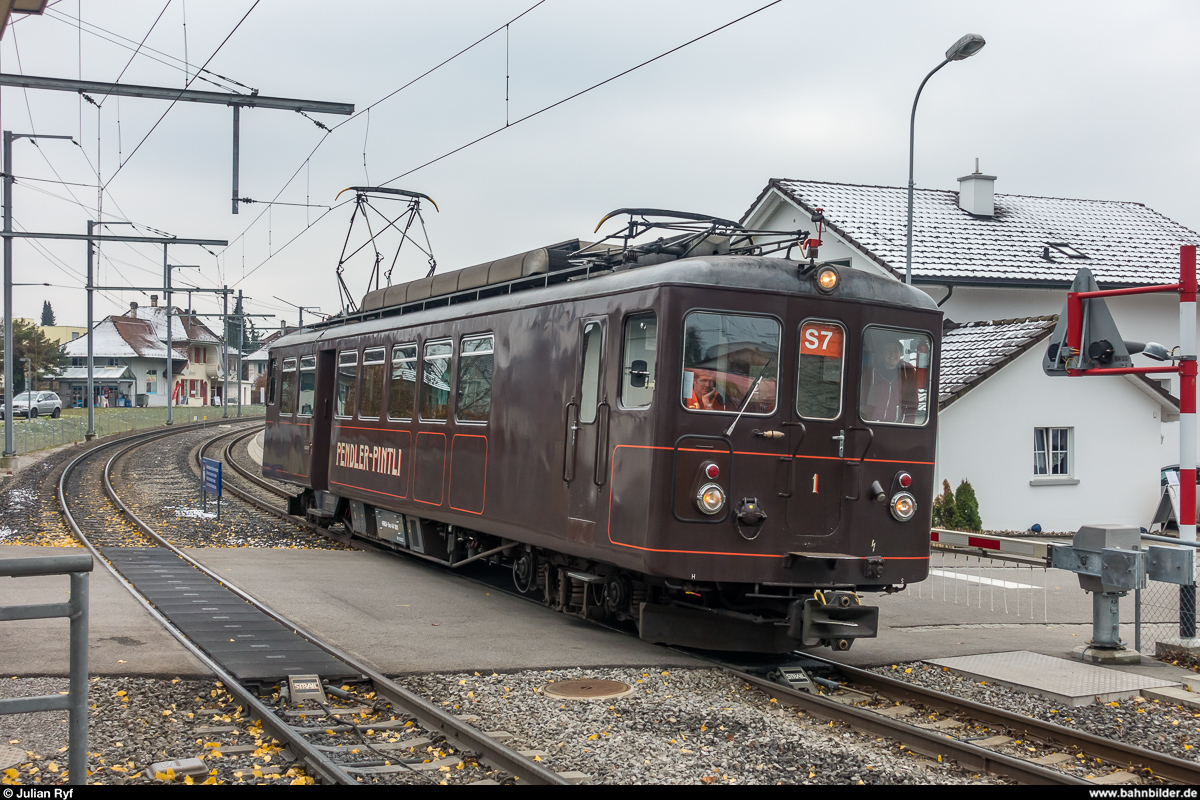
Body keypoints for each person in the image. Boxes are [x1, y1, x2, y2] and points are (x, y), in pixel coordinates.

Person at [862, 339, 917, 423]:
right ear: (882, 354)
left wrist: (907, 425)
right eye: (888, 351)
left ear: (900, 353)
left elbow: (913, 400)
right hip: (872, 423)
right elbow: (862, 399)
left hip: (897, 426)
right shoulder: (871, 373)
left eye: (895, 351)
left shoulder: (908, 371)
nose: (892, 354)